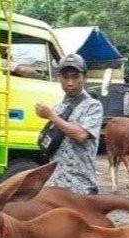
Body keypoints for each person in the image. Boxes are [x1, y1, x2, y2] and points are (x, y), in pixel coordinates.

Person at [35, 53, 103, 194]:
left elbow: (81, 135)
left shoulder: (93, 106)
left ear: (84, 78)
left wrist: (51, 116)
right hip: (54, 185)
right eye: (65, 77)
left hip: (80, 187)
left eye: (75, 77)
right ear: (59, 79)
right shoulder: (58, 107)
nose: (70, 83)